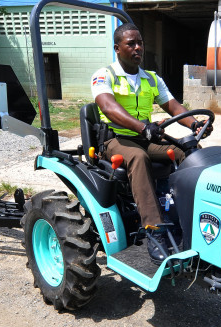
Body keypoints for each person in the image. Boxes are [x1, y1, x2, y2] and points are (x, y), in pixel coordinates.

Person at [91, 23, 212, 263]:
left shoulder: (152, 79)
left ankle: (191, 215)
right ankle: (155, 230)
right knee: (138, 157)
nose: (138, 47)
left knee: (188, 150)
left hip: (145, 136)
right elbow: (108, 107)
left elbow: (173, 106)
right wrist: (143, 127)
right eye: (131, 44)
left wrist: (194, 124)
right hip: (116, 139)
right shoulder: (104, 75)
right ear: (117, 48)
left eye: (140, 43)